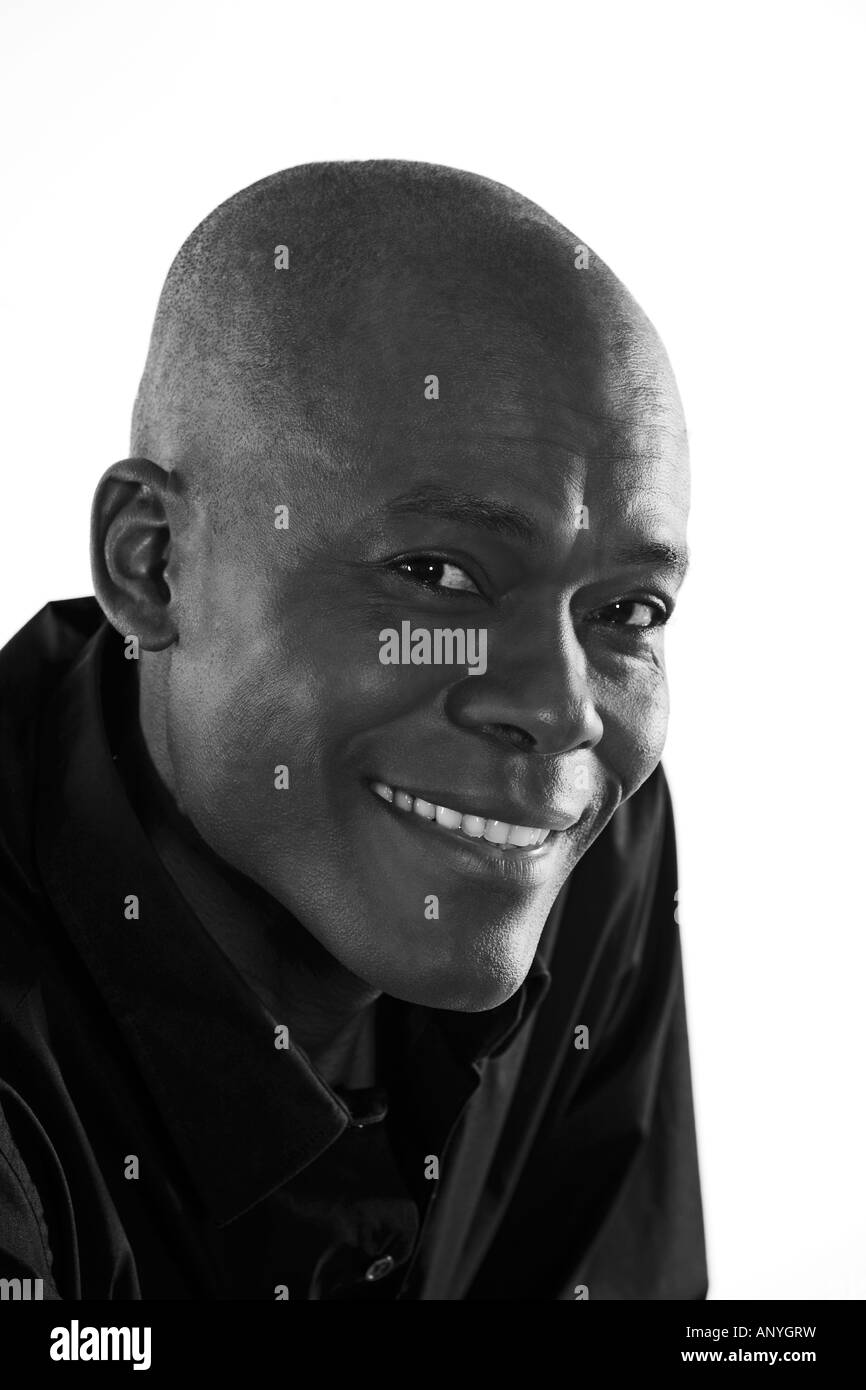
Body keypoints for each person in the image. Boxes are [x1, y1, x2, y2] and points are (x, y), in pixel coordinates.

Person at [0, 160, 706, 1299]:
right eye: (436, 574)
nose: (560, 708)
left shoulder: (580, 846)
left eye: (626, 610)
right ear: (154, 564)